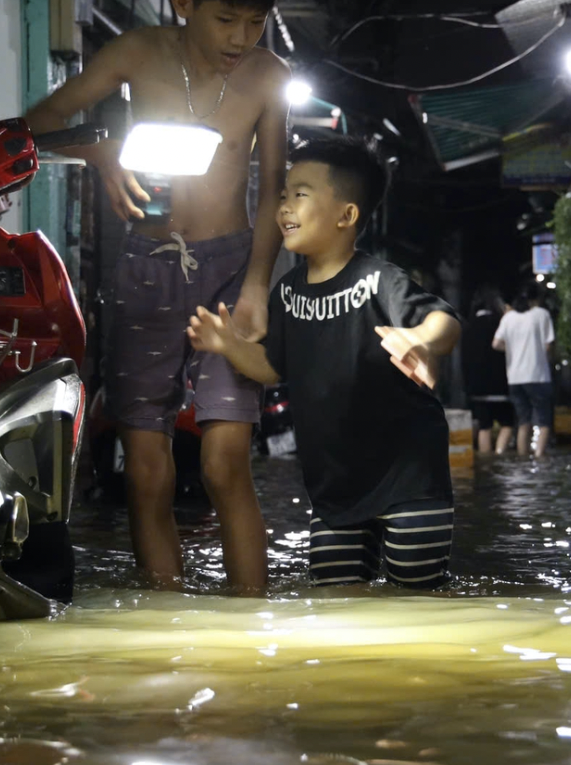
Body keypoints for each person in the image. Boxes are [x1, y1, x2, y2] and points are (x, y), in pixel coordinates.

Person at [25, 0, 287, 595]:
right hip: (147, 266)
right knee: (146, 466)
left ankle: (252, 632)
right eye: (225, 19)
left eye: (254, 23)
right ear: (183, 3)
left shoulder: (268, 77)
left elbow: (275, 193)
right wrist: (103, 150)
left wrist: (257, 286)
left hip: (231, 269)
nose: (239, 39)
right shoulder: (137, 54)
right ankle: (162, 630)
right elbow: (37, 122)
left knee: (228, 460)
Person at [186, 135, 462, 590]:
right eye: (282, 196)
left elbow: (442, 319)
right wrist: (229, 345)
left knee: (418, 602)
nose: (285, 207)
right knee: (335, 601)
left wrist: (422, 342)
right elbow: (275, 367)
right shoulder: (288, 292)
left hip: (410, 483)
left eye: (300, 194)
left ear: (346, 215)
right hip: (334, 492)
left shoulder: (377, 279)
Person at [494, 285, 556, 459]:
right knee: (544, 421)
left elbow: (496, 344)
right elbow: (548, 344)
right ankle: (538, 457)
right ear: (535, 300)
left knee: (523, 421)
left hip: (515, 377)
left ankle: (522, 458)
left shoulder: (509, 318)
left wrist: (513, 349)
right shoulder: (541, 315)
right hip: (538, 375)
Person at [461, 286, 515, 454]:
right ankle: (499, 454)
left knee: (484, 426)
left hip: (477, 387)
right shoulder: (500, 323)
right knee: (508, 424)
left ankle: (486, 461)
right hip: (501, 384)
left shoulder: (469, 327)